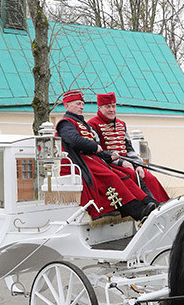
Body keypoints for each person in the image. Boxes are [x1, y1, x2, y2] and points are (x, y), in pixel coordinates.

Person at [55, 89, 157, 220]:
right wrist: (94, 146)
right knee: (112, 177)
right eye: (77, 103)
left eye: (82, 103)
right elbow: (75, 141)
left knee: (124, 175)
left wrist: (109, 156)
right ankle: (138, 211)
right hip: (82, 163)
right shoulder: (65, 123)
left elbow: (96, 151)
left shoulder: (82, 124)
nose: (81, 106)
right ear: (67, 105)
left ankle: (149, 202)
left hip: (94, 160)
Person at [88, 92, 171, 203]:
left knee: (149, 177)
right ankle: (150, 205)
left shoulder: (121, 124)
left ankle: (165, 204)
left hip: (129, 163)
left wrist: (138, 164)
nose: (112, 109)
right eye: (108, 106)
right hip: (111, 165)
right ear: (100, 107)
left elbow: (129, 148)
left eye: (113, 106)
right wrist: (120, 162)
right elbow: (98, 153)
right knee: (131, 175)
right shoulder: (92, 125)